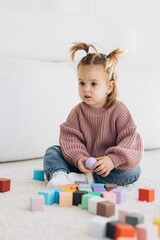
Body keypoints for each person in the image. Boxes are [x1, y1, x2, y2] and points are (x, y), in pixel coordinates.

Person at [44, 42, 143, 189]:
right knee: (53, 151)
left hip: (107, 168)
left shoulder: (119, 110)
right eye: (82, 83)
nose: (86, 89)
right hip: (83, 164)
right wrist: (78, 159)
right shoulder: (77, 112)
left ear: (109, 87)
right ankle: (60, 176)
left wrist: (113, 159)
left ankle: (88, 179)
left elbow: (130, 140)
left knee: (134, 171)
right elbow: (70, 139)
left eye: (93, 84)